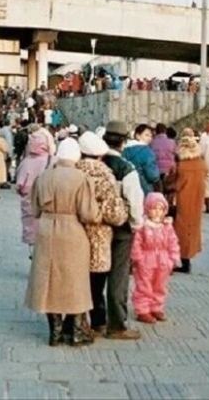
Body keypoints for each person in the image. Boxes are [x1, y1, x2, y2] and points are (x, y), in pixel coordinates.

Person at [24, 138, 99, 347]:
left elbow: (35, 209)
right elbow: (88, 213)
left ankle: (55, 332)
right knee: (76, 282)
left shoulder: (44, 177)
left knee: (49, 281)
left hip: (47, 231)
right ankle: (75, 332)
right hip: (73, 231)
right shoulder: (82, 179)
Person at [76, 131, 127, 338]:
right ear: (99, 156)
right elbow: (115, 215)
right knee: (97, 284)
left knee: (77, 281)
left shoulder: (74, 173)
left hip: (76, 235)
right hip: (99, 237)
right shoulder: (105, 177)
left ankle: (79, 321)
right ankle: (98, 322)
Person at [100, 120, 145, 340]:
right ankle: (116, 324)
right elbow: (135, 201)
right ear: (123, 142)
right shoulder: (126, 168)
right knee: (118, 276)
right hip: (121, 228)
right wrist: (136, 225)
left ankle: (96, 320)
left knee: (95, 274)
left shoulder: (95, 163)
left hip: (96, 225)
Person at [131, 193, 180, 324]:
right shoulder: (142, 226)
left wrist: (172, 259)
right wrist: (138, 258)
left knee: (160, 286)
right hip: (146, 260)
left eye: (160, 209)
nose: (157, 212)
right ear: (147, 209)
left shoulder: (166, 226)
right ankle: (142, 309)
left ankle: (156, 307)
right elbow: (136, 243)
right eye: (154, 208)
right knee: (144, 285)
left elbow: (173, 243)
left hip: (163, 261)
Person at [173, 135, 207, 274]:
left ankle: (183, 261)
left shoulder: (182, 165)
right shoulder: (201, 163)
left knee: (180, 230)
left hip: (183, 201)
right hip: (197, 201)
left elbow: (176, 183)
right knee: (192, 229)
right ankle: (188, 260)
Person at [15, 134, 51, 257]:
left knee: (30, 226)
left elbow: (19, 183)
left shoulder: (26, 162)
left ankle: (33, 251)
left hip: (29, 197)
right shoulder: (50, 160)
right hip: (46, 198)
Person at [122, 124, 160, 196]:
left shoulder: (125, 150)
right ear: (137, 135)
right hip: (144, 189)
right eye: (146, 135)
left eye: (151, 136)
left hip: (127, 188)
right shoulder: (147, 152)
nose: (149, 138)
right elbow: (153, 176)